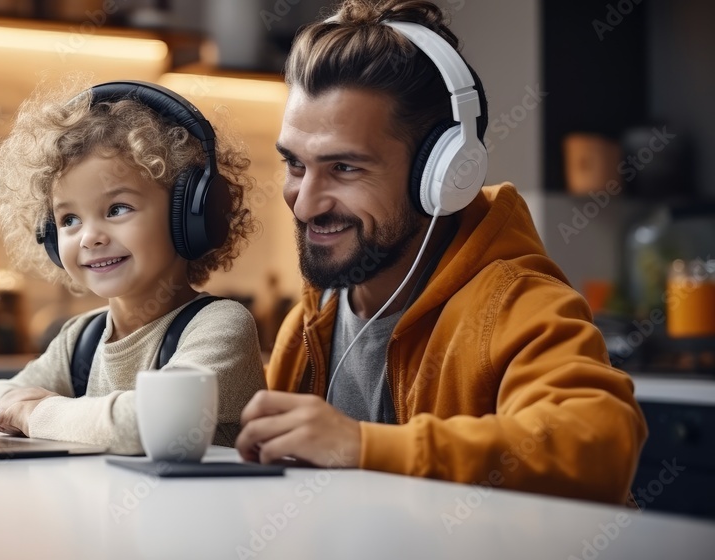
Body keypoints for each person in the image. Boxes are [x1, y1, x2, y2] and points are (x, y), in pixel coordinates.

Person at [235, 0, 647, 505]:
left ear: (443, 175)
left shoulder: (517, 306)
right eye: (295, 165)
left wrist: (362, 445)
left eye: (344, 168)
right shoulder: (312, 319)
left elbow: (599, 447)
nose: (305, 202)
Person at [0, 81, 266, 454]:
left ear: (189, 215)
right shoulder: (81, 339)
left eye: (117, 209)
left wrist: (36, 414)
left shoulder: (221, 326)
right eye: (69, 219)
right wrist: (19, 407)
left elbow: (155, 422)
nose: (90, 237)